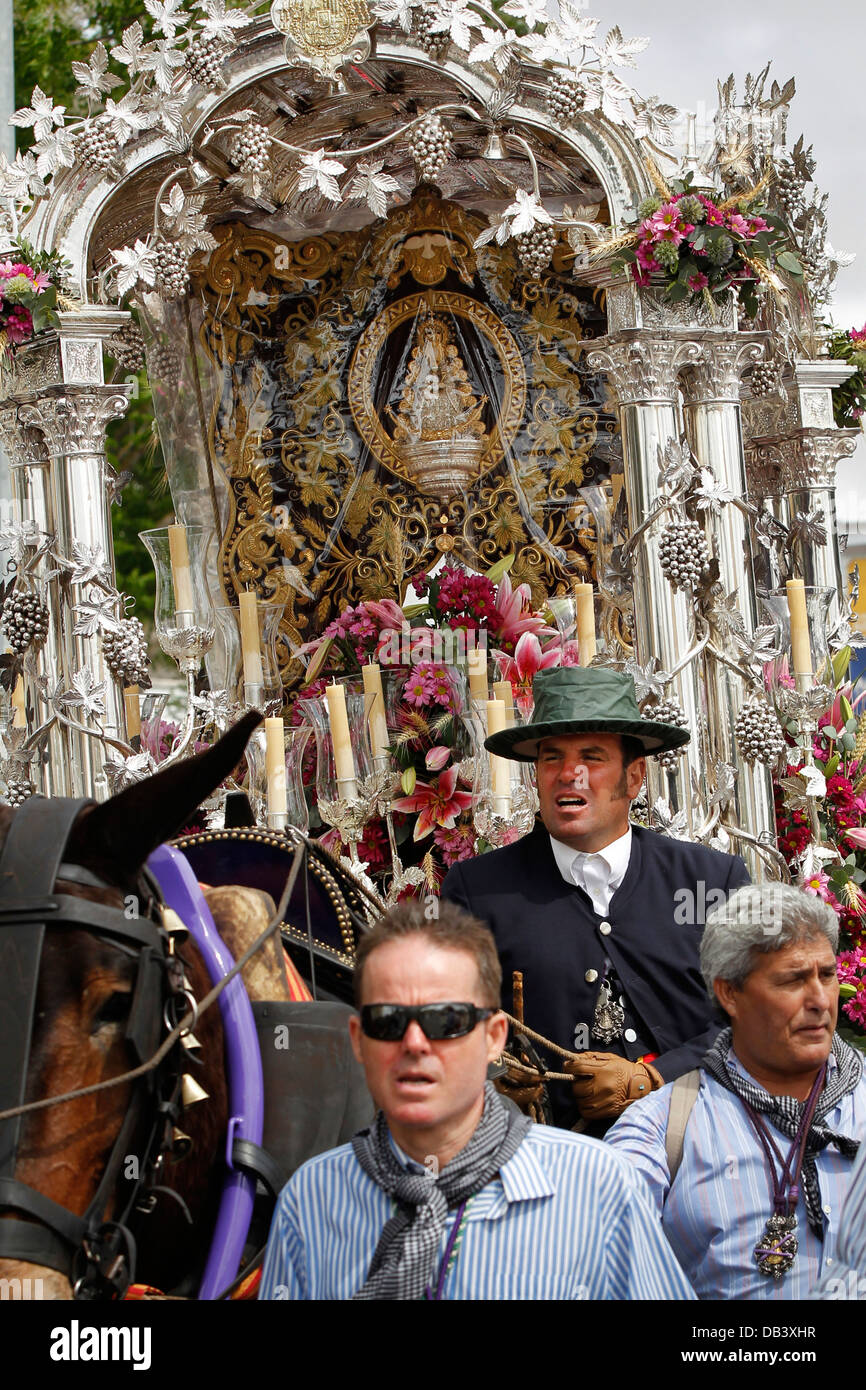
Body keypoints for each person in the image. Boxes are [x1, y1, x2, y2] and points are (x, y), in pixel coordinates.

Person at [258, 900, 696, 1300]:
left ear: (493, 1039)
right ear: (358, 1041)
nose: (414, 1043)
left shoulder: (598, 1186)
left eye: (445, 1019)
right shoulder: (312, 1199)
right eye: (388, 1020)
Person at [441, 666, 750, 1130]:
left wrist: (655, 1076)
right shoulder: (477, 889)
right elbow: (448, 1027)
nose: (570, 774)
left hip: (704, 1148)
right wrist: (490, 1077)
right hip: (549, 1165)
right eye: (551, 759)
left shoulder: (712, 879)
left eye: (592, 756)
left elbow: (758, 1017)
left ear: (635, 777)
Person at [605, 885, 866, 1299]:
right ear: (730, 993)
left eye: (828, 975)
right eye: (792, 980)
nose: (819, 1000)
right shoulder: (660, 1130)